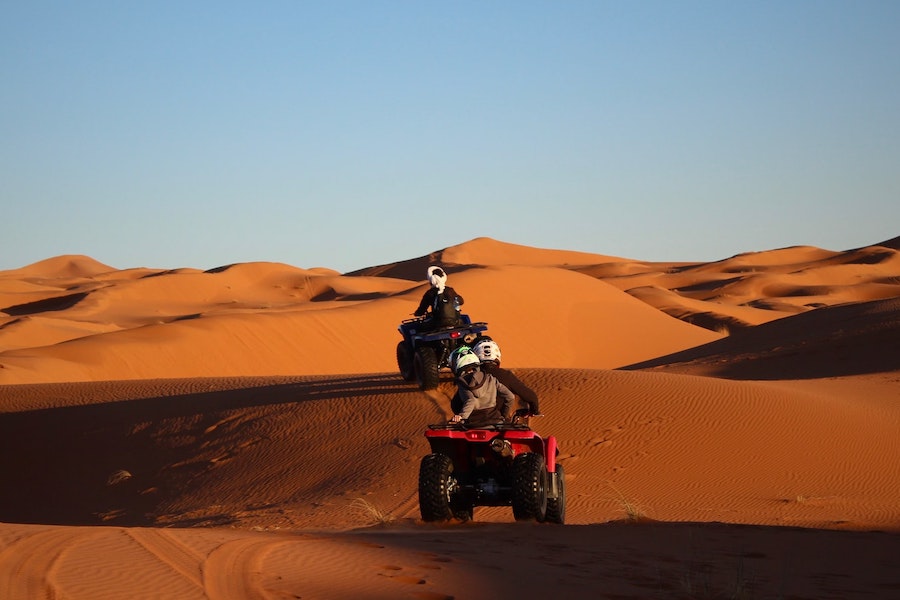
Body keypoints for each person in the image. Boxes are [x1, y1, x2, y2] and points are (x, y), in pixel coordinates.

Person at [470, 336, 541, 416]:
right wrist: (534, 411)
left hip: (472, 423)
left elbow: (456, 404)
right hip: (500, 423)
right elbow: (532, 397)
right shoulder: (506, 376)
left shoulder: (470, 377)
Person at [448, 346, 515, 428]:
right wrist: (505, 416)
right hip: (496, 422)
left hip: (473, 425)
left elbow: (470, 401)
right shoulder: (490, 378)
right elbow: (510, 396)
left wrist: (461, 417)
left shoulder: (463, 383)